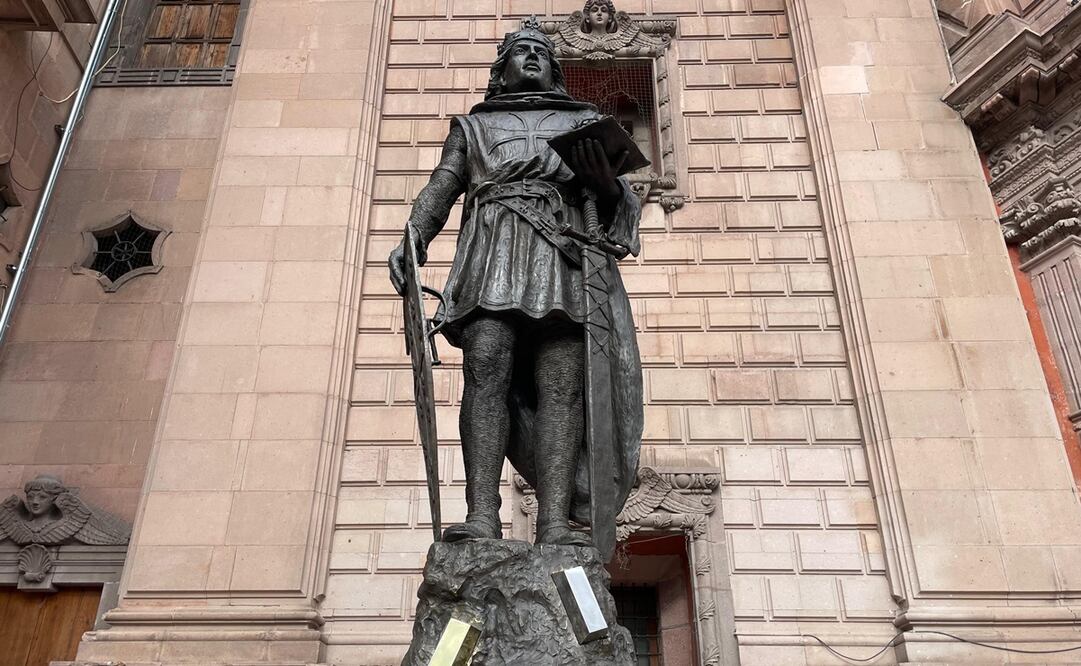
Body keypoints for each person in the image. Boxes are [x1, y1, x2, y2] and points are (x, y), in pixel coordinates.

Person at [388, 20, 643, 548]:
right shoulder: (473, 127)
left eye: (541, 53)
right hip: (492, 254)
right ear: (500, 70)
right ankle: (482, 514)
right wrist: (413, 239)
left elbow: (618, 197)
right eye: (520, 51)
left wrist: (605, 186)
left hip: (563, 256)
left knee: (561, 388)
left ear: (554, 69)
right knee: (485, 372)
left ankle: (553, 521)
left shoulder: (584, 122)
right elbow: (443, 185)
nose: (531, 57)